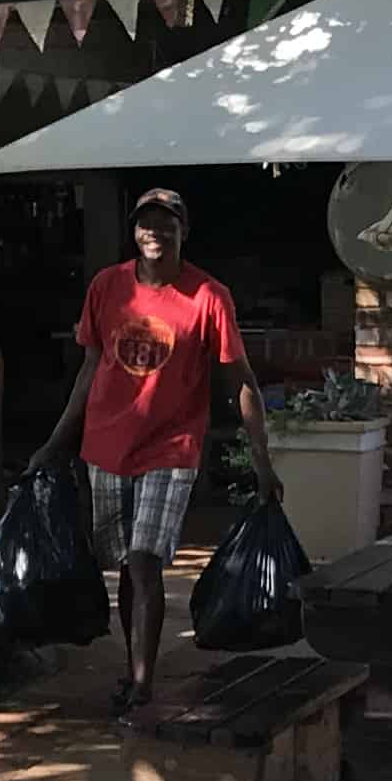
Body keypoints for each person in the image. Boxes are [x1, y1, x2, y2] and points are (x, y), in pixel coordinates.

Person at [34, 186, 277, 722]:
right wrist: (56, 442)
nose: (154, 232)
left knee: (145, 560)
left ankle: (142, 684)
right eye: (146, 222)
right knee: (125, 566)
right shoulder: (107, 286)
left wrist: (261, 459)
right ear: (134, 230)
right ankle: (132, 665)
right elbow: (89, 368)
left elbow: (242, 381)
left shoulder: (208, 296)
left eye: (166, 223)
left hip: (172, 448)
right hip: (105, 445)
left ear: (183, 231)